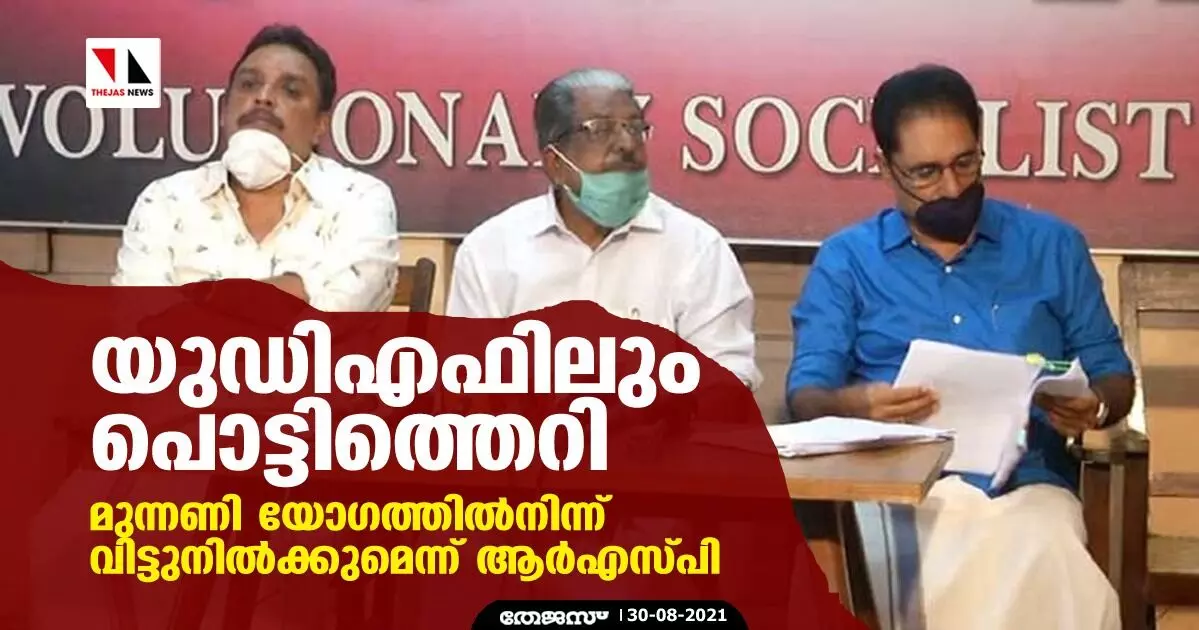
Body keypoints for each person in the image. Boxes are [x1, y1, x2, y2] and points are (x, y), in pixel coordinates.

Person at [786, 64, 1133, 630]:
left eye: (965, 163)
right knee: (930, 558)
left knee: (1046, 551)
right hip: (901, 493)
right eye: (925, 173)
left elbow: (1113, 374)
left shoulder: (1052, 246)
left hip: (1029, 487)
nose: (951, 188)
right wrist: (859, 405)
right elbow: (806, 395)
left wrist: (1093, 406)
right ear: (885, 167)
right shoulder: (848, 261)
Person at [446, 68, 761, 390]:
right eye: (600, 129)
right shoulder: (490, 251)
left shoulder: (696, 248)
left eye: (635, 127)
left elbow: (727, 379)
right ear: (556, 163)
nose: (626, 143)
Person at [111, 24, 400, 312]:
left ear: (319, 125)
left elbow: (338, 315)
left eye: (291, 91)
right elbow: (141, 320)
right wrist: (293, 291)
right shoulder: (165, 199)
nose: (263, 97)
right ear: (224, 110)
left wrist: (201, 303)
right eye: (249, 84)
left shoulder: (360, 198)